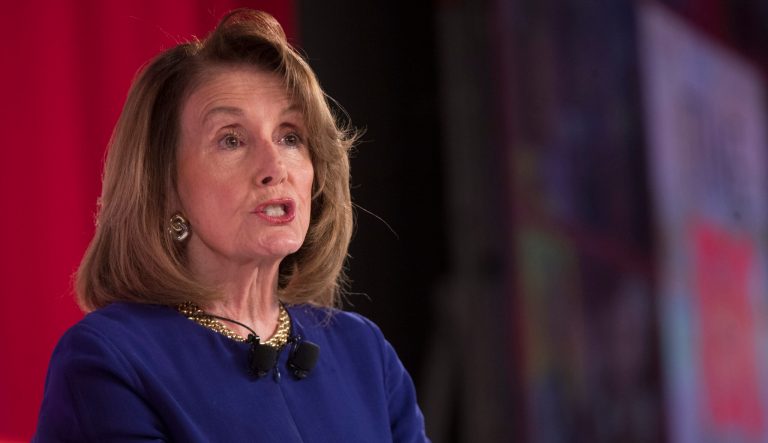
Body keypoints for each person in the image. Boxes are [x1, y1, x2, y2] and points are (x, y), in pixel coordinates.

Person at [33, 9, 428, 442]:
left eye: (290, 136)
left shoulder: (363, 352)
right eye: (231, 139)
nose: (274, 166)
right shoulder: (109, 360)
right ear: (164, 186)